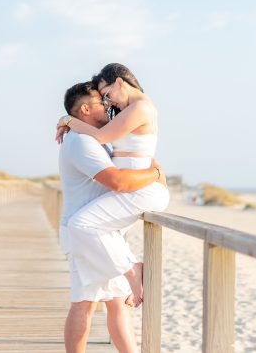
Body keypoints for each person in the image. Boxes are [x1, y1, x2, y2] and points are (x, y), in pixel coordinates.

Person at [59, 81, 166, 353]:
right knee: (84, 304)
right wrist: (155, 175)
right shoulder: (81, 142)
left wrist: (67, 120)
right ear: (85, 109)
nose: (107, 106)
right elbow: (117, 181)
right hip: (84, 232)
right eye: (101, 102)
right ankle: (131, 269)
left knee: (117, 302)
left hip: (102, 234)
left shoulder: (94, 139)